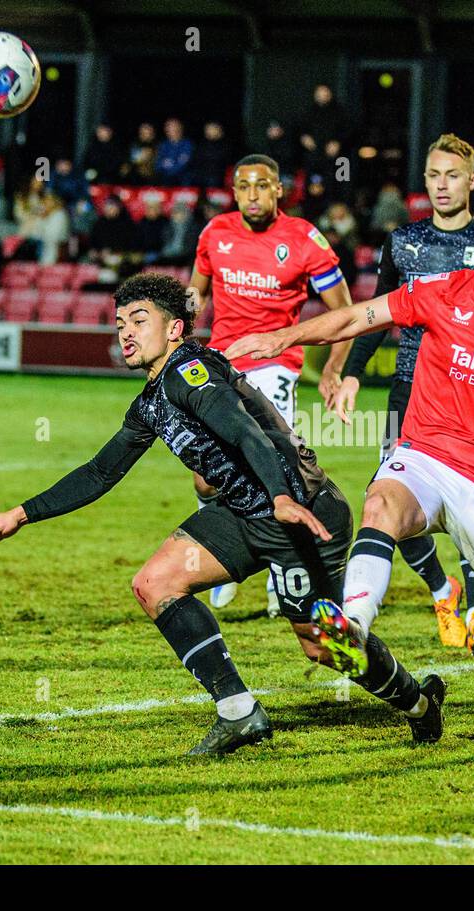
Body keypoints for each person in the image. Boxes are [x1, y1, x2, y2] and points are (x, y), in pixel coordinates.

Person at [0, 273, 444, 755]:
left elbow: (245, 433)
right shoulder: (151, 401)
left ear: (174, 329)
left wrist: (279, 496)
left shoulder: (191, 371)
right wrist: (19, 515)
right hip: (243, 514)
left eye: (139, 320)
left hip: (301, 510)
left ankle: (418, 704)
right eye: (119, 323)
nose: (125, 331)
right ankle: (239, 713)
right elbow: (99, 472)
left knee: (325, 647)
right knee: (154, 583)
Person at [226, 189, 474, 760]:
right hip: (424, 455)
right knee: (381, 502)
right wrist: (283, 337)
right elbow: (359, 316)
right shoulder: (443, 292)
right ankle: (352, 623)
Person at [331, 133, 474, 654]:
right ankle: (441, 591)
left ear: (471, 182)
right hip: (409, 390)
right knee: (391, 501)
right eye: (433, 175)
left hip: (471, 387)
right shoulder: (403, 242)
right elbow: (378, 311)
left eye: (452, 175)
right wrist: (354, 372)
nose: (442, 185)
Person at [189, 154, 354, 614]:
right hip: (221, 360)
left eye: (262, 186)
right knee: (205, 478)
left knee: (274, 468)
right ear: (234, 191)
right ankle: (215, 549)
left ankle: (283, 571)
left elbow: (343, 310)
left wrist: (334, 368)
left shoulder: (304, 239)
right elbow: (196, 293)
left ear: (279, 189)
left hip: (275, 363)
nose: (253, 195)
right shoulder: (215, 233)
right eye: (244, 187)